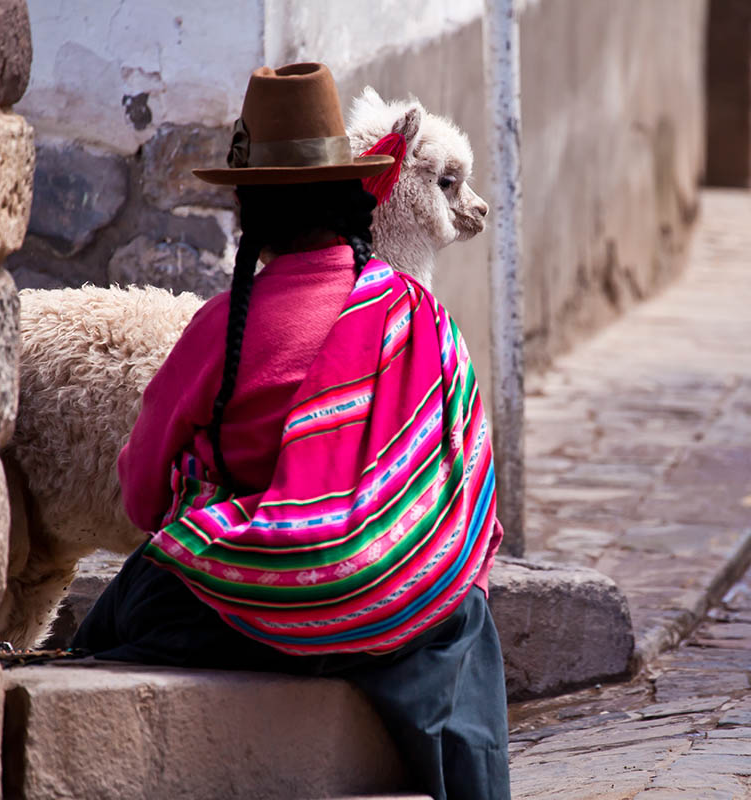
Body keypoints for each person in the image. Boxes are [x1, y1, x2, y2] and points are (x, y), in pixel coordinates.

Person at [73, 62, 510, 800]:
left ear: (249, 212)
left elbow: (144, 495)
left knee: (115, 618)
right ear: (354, 195)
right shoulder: (421, 321)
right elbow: (463, 485)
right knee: (462, 619)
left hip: (236, 608)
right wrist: (373, 562)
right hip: (396, 605)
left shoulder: (220, 329)